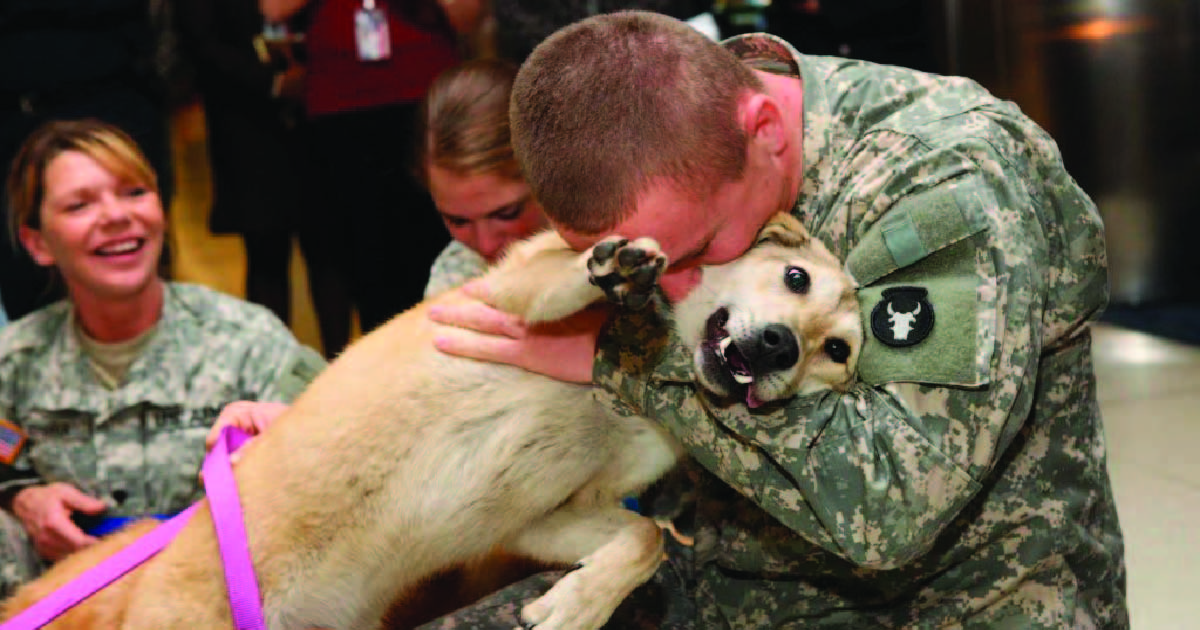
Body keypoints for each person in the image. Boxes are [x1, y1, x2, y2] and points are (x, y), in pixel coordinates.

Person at [422, 10, 1128, 629]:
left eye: (691, 252)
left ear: (763, 129)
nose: (668, 289)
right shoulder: (670, 146)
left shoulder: (944, 180)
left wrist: (624, 357)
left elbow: (893, 508)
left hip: (958, 607)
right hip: (724, 585)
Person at [0, 119, 327, 597]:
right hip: (72, 610)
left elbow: (340, 450)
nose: (115, 215)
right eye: (80, 204)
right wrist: (22, 497)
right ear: (38, 243)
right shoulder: (15, 362)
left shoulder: (247, 341)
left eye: (134, 192)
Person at [259, 0, 485, 357]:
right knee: (363, 259)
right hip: (340, 105)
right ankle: (385, 369)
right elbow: (274, 9)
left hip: (426, 94)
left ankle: (450, 356)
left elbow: (466, 16)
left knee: (440, 248)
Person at [419, 57, 549, 298]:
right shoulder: (457, 279)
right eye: (458, 221)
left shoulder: (621, 248)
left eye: (506, 214)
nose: (486, 245)